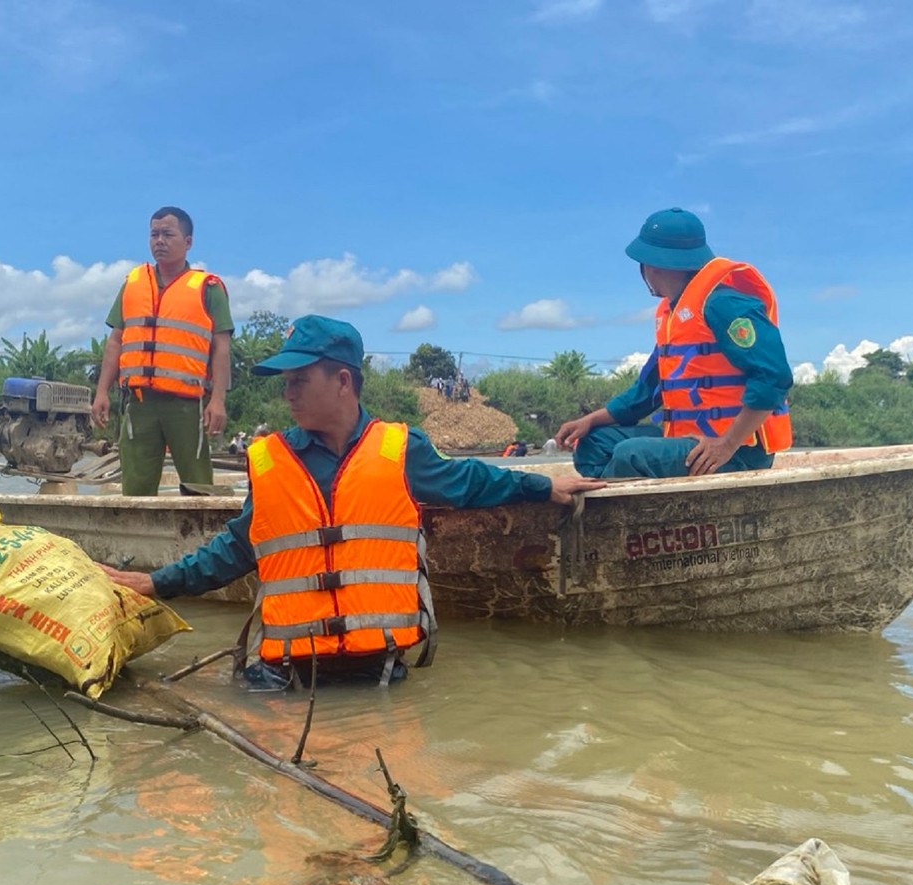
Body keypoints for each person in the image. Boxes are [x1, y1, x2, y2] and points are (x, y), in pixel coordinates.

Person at [101, 315, 604, 687]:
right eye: (287, 383)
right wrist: (154, 582)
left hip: (379, 669)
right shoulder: (271, 460)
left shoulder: (402, 450)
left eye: (299, 380)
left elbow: (468, 481)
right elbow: (236, 547)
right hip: (283, 675)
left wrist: (544, 486)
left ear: (342, 381)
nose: (288, 394)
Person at [556, 208, 793, 479]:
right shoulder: (675, 315)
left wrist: (726, 444)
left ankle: (605, 512)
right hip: (690, 441)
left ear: (652, 265)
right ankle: (619, 505)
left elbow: (774, 376)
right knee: (594, 443)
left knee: (630, 454)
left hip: (737, 451)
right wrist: (588, 422)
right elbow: (645, 392)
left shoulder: (724, 303)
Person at [91, 206, 234, 495]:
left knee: (198, 486)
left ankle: (200, 537)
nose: (160, 241)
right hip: (139, 403)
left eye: (168, 234)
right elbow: (116, 341)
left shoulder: (209, 288)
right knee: (136, 488)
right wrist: (102, 391)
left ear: (188, 242)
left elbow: (221, 348)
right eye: (154, 234)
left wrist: (217, 400)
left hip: (186, 404)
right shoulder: (132, 283)